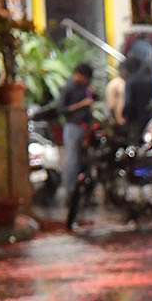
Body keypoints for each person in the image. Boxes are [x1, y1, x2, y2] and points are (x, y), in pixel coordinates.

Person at [57, 61, 96, 227]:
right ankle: (70, 194)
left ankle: (85, 195)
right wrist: (81, 104)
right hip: (73, 127)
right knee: (72, 161)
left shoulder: (85, 89)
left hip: (86, 128)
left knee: (85, 162)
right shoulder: (68, 88)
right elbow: (61, 109)